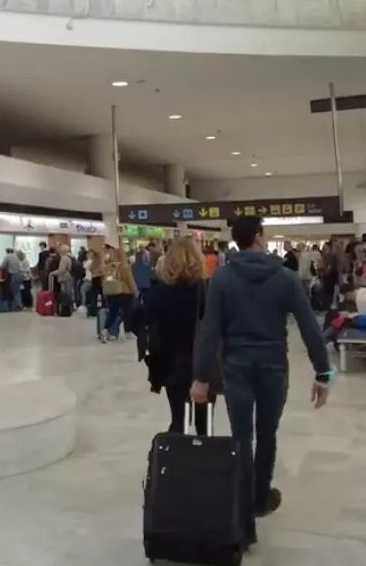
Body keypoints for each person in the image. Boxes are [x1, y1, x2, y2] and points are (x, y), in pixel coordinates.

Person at [191, 216, 333, 520]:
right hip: (273, 367)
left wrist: (201, 377)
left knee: (241, 435)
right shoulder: (285, 278)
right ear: (257, 237)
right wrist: (323, 373)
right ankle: (260, 496)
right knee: (268, 433)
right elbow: (310, 327)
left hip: (236, 366)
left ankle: (242, 498)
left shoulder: (221, 279)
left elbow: (210, 331)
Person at [141, 238, 215, 435]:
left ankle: (176, 460)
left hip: (170, 363)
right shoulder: (207, 291)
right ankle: (203, 459)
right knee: (204, 421)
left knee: (177, 418)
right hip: (202, 364)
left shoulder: (158, 292)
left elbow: (137, 319)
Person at [102, 255, 138, 342]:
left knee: (112, 313)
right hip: (125, 293)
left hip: (111, 293)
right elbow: (130, 280)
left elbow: (104, 280)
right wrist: (135, 291)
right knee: (128, 312)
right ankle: (128, 331)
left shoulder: (108, 267)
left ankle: (106, 330)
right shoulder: (125, 268)